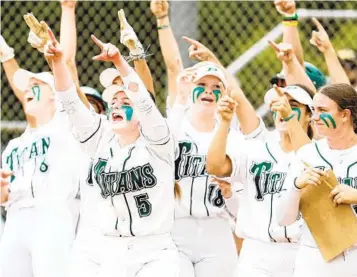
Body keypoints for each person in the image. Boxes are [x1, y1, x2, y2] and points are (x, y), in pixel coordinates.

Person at [45, 27, 179, 277]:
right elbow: (71, 102)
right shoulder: (100, 141)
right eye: (113, 103)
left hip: (155, 251)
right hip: (112, 250)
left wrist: (120, 61)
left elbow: (145, 102)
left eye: (125, 103)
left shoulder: (159, 142)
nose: (116, 106)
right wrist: (58, 62)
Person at [206, 81, 315, 276]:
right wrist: (223, 123)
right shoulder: (256, 147)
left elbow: (311, 159)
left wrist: (290, 118)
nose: (283, 108)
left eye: (293, 106)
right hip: (256, 252)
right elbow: (215, 166)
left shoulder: (318, 152)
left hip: (300, 251)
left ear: (310, 114)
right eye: (279, 104)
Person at [0, 68, 82, 277]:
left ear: (54, 96)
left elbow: (68, 72)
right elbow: (5, 197)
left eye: (36, 86)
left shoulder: (64, 128)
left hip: (50, 216)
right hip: (15, 219)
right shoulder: (13, 146)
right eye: (27, 87)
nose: (28, 90)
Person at [167, 61, 240, 277]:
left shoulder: (232, 138)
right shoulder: (176, 126)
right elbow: (161, 150)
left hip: (216, 229)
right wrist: (180, 97)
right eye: (202, 83)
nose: (209, 90)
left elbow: (240, 209)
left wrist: (230, 194)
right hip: (175, 228)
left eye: (217, 87)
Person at [278, 83, 357, 277]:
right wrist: (297, 186)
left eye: (322, 110)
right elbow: (283, 218)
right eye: (313, 110)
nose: (314, 117)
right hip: (315, 256)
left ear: (345, 115)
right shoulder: (307, 154)